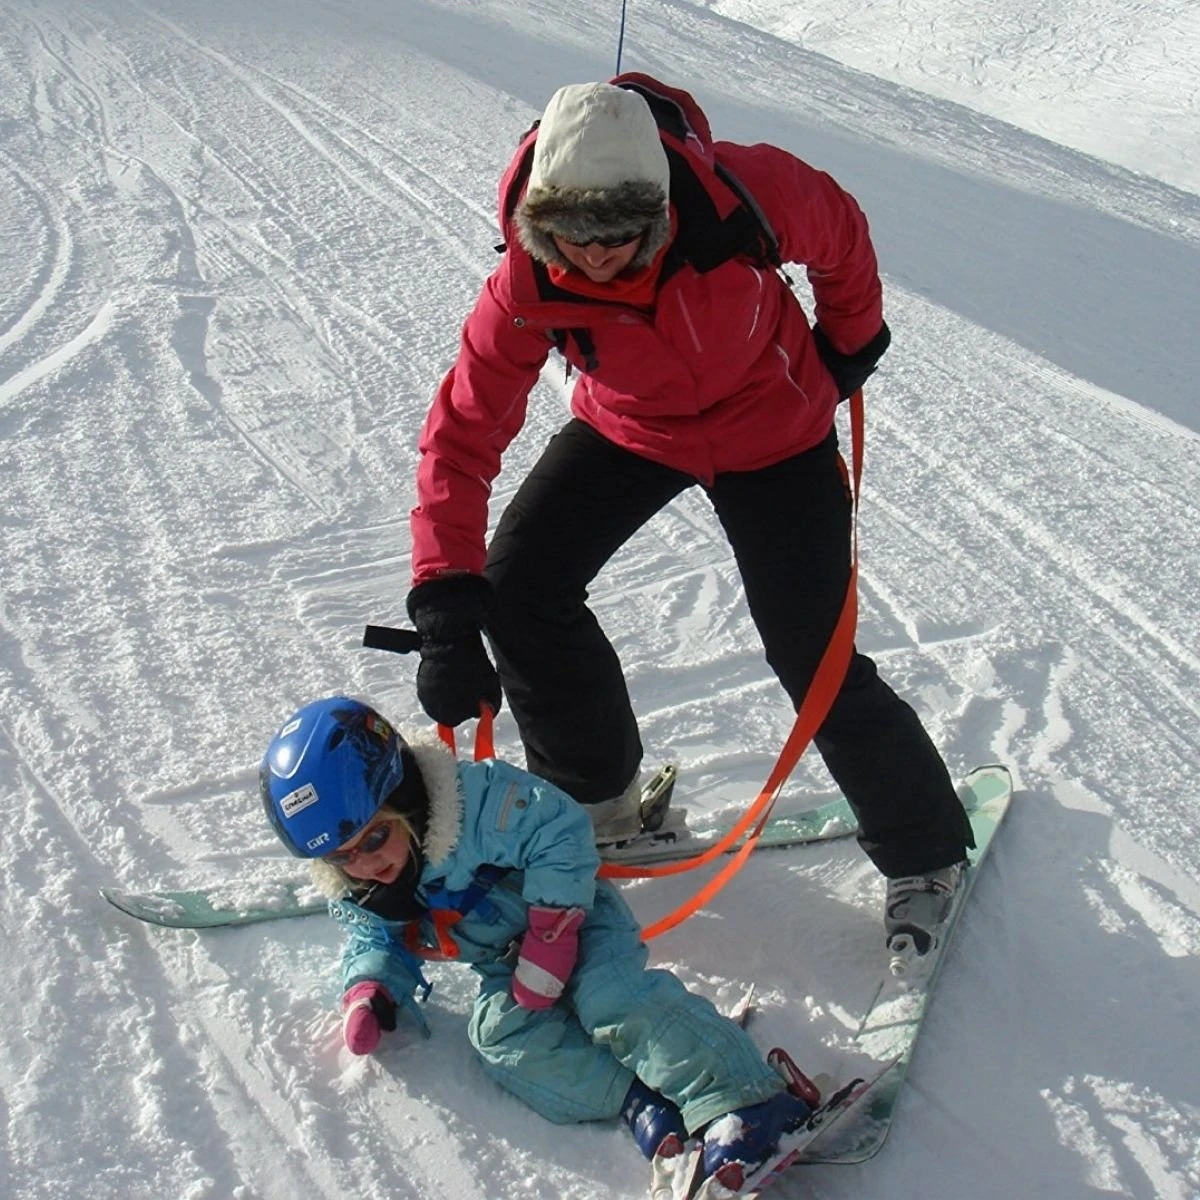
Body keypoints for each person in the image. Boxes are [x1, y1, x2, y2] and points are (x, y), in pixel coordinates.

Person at [402, 75, 974, 954]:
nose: (596, 257)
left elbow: (841, 234)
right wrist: (445, 606)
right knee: (517, 588)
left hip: (775, 432)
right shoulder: (525, 282)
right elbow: (461, 436)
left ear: (659, 208)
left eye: (620, 235)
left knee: (813, 655)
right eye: (572, 237)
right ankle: (602, 806)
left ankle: (926, 853)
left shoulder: (743, 196)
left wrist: (849, 344)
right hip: (633, 431)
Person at [260, 696, 816, 1184]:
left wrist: (552, 935)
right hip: (505, 965)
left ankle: (747, 1099)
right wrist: (371, 990)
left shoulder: (476, 803)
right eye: (342, 856)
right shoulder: (365, 888)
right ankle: (638, 1098)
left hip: (577, 921)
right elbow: (374, 938)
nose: (365, 863)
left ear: (405, 799)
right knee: (500, 1039)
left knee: (609, 998)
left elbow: (560, 830)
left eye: (376, 837)